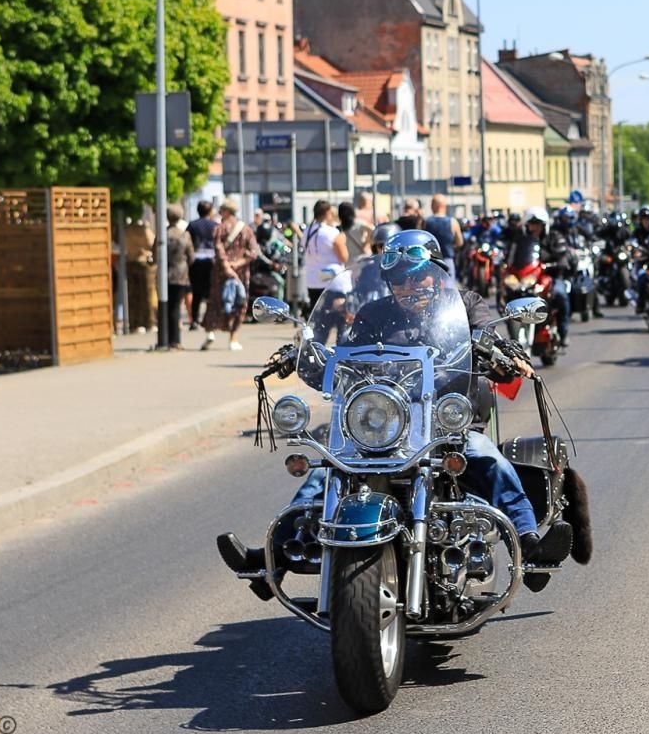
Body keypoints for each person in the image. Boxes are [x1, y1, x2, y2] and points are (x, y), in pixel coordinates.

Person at [231, 230, 570, 597]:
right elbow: (345, 355)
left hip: (445, 423)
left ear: (435, 272)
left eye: (417, 275)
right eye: (399, 279)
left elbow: (483, 336)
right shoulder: (374, 313)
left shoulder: (466, 304)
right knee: (326, 472)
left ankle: (529, 544)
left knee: (489, 458)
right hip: (384, 424)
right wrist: (303, 354)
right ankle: (274, 558)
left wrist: (498, 349)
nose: (409, 285)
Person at [202, 199, 259, 352]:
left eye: (222, 210)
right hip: (240, 273)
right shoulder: (246, 229)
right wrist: (239, 263)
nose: (220, 213)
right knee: (239, 303)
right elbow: (254, 252)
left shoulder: (219, 228)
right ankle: (233, 339)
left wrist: (227, 266)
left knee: (216, 301)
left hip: (220, 273)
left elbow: (219, 249)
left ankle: (211, 331)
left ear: (227, 211)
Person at [522, 207, 575, 347]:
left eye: (537, 224)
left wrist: (555, 264)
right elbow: (513, 256)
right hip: (529, 279)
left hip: (551, 277)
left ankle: (563, 332)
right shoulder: (523, 240)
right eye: (531, 224)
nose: (534, 227)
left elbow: (563, 258)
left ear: (544, 225)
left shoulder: (555, 237)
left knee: (561, 294)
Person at [161, 204, 193, 350]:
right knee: (176, 308)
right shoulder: (184, 235)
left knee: (165, 307)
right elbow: (191, 256)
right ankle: (176, 340)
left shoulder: (163, 234)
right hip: (180, 274)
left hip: (164, 273)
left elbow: (156, 254)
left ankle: (165, 338)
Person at [121, 216, 158, 333]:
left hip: (130, 261)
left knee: (132, 294)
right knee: (147, 294)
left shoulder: (125, 230)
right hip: (144, 262)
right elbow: (151, 243)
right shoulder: (144, 229)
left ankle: (134, 323)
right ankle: (149, 322)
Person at [186, 201, 218, 330]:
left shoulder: (192, 225)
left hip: (196, 262)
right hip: (212, 261)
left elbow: (187, 242)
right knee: (211, 292)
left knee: (197, 292)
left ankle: (195, 321)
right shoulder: (215, 225)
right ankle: (210, 320)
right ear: (210, 211)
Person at [422, 193, 464, 276]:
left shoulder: (425, 222)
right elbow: (460, 242)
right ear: (444, 206)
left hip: (431, 261)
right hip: (447, 260)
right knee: (449, 287)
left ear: (434, 206)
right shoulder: (453, 222)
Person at [340, 200, 371, 265]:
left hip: (348, 262)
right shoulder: (359, 224)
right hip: (361, 259)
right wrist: (366, 244)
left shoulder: (339, 229)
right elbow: (372, 230)